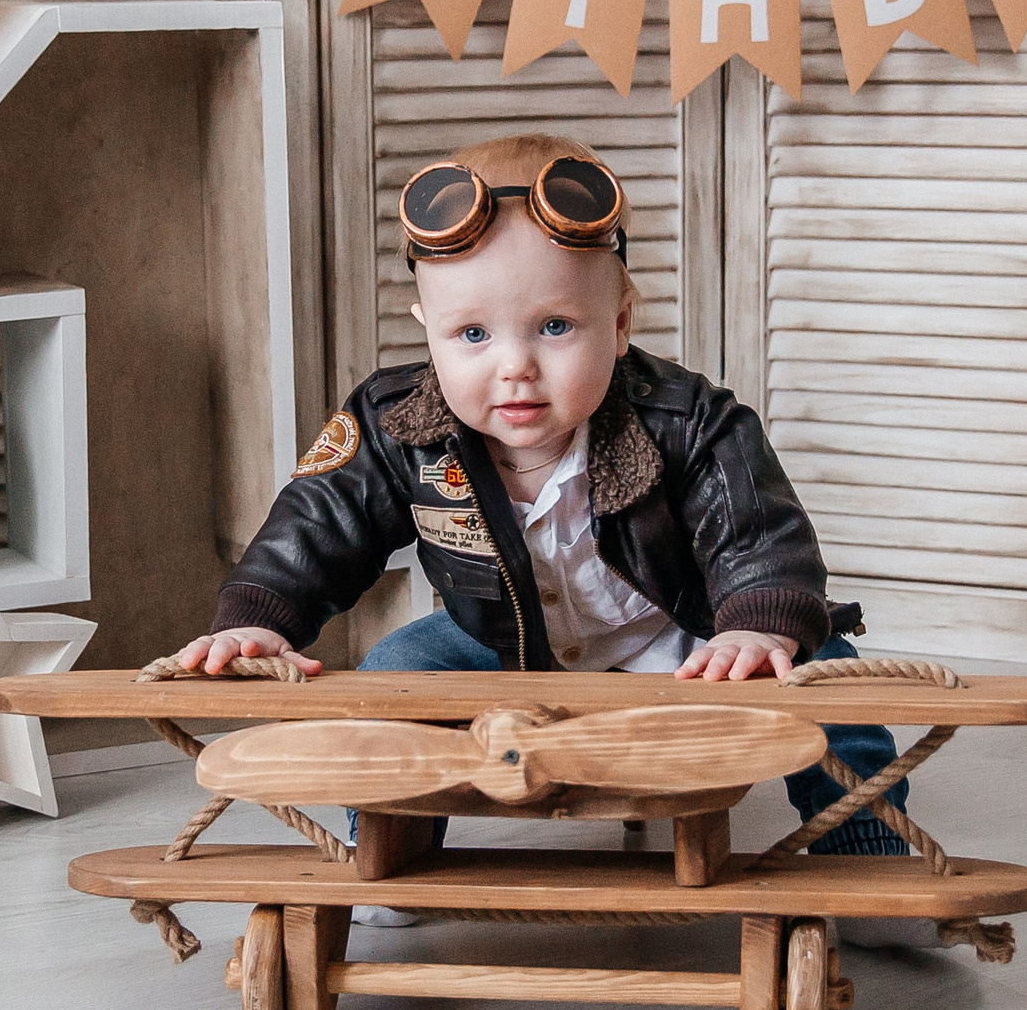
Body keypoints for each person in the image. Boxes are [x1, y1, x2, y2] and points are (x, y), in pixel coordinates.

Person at [166, 133, 919, 928]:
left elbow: (757, 534)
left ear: (620, 320)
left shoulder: (689, 422)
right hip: (504, 648)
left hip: (680, 640)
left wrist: (758, 625)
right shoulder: (399, 426)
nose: (515, 366)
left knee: (827, 671)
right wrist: (259, 617)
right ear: (427, 329)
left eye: (556, 327)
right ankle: (387, 841)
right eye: (473, 336)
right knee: (394, 671)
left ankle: (861, 850)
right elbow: (318, 524)